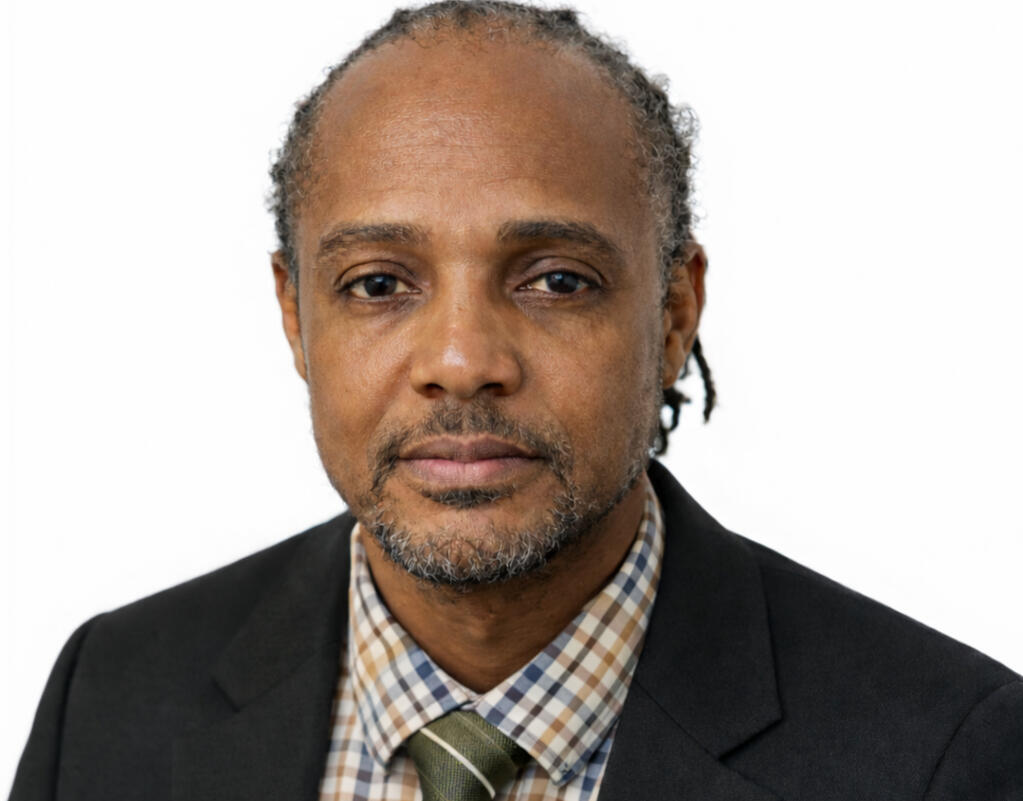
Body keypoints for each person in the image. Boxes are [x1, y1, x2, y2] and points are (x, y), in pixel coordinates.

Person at [9, 2, 1023, 799]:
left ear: (674, 313)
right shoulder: (112, 697)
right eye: (378, 283)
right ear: (295, 316)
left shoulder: (948, 754)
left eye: (556, 281)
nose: (462, 361)